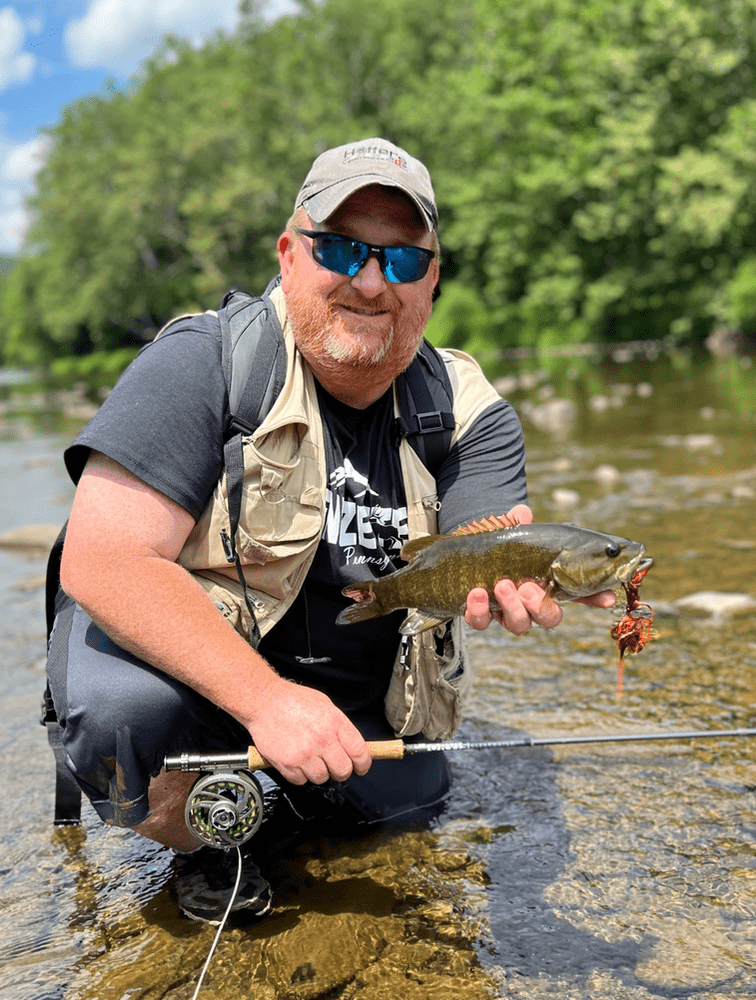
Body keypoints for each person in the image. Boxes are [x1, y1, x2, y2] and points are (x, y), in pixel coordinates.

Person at [46, 138, 614, 923]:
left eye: (403, 261)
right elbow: (104, 562)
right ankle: (205, 837)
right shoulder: (202, 365)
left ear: (432, 280)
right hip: (201, 669)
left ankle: (302, 790)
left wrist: (533, 578)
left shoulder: (470, 411)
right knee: (122, 723)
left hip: (359, 677)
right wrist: (268, 702)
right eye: (341, 249)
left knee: (404, 810)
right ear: (289, 255)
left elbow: (494, 539)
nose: (373, 282)